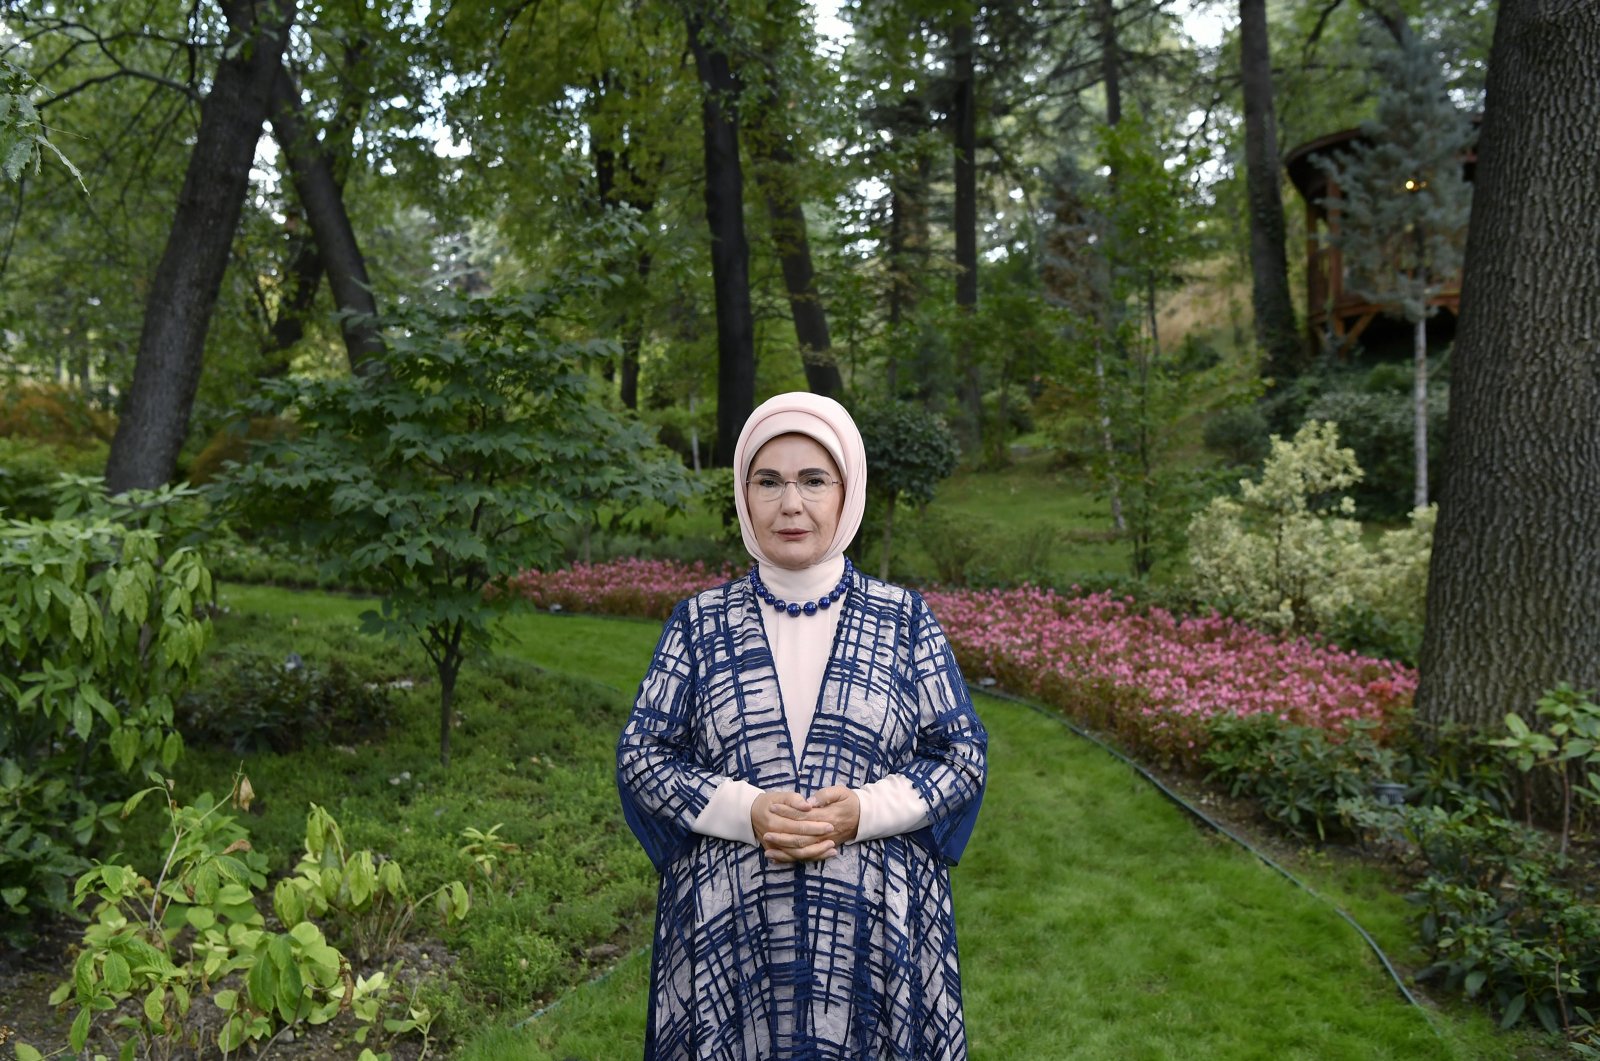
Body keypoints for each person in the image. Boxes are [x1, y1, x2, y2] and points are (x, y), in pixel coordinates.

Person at [617, 391, 988, 1060]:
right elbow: (644, 756)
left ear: (848, 492)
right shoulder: (698, 624)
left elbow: (960, 756)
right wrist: (747, 808)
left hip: (873, 928)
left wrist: (864, 811)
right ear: (743, 493)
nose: (790, 503)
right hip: (729, 930)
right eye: (769, 480)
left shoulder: (903, 621)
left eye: (813, 479)